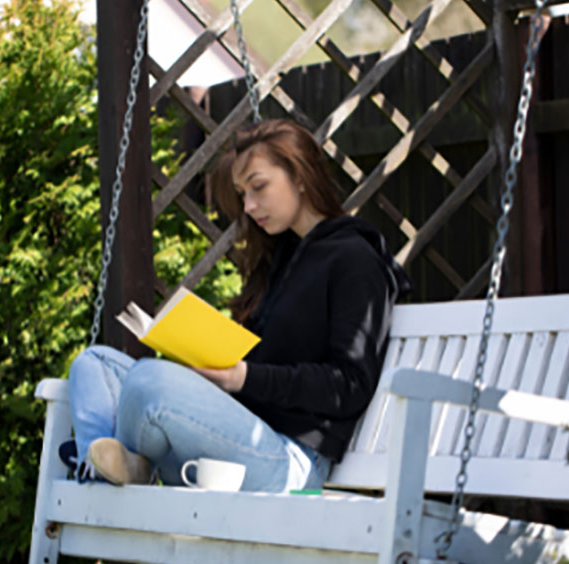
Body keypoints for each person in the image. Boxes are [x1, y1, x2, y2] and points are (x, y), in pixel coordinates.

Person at [64, 118, 411, 492]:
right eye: (242, 193)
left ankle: (125, 468)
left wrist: (243, 377)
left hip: (289, 459)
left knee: (149, 379)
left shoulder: (354, 258)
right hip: (239, 436)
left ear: (300, 175)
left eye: (258, 187)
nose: (248, 206)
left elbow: (350, 384)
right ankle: (113, 464)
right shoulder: (283, 259)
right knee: (94, 363)